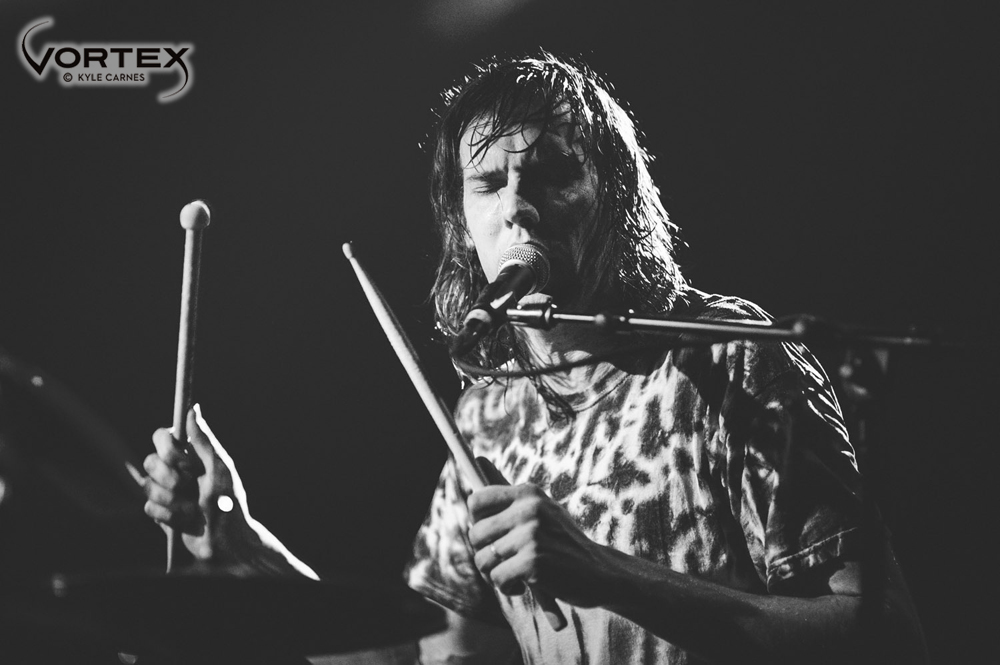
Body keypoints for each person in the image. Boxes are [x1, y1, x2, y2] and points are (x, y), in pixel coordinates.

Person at [142, 53, 928, 664]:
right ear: (463, 227)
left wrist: (604, 573)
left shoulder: (726, 359)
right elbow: (419, 659)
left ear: (615, 197)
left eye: (551, 172)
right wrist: (243, 548)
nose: (517, 204)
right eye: (489, 182)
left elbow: (890, 637)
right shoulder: (489, 415)